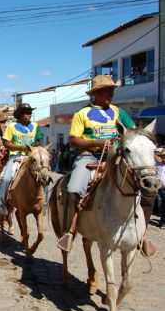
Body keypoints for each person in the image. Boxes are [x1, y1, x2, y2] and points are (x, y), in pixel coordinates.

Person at [56, 75, 159, 255]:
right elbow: (73, 140)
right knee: (74, 188)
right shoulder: (82, 114)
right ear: (95, 93)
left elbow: (133, 134)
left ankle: (142, 235)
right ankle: (70, 231)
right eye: (106, 90)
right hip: (88, 158)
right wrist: (97, 143)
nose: (110, 94)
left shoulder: (119, 112)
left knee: (145, 187)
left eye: (112, 90)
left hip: (117, 158)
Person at [0, 103, 43, 217]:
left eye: (30, 113)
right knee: (6, 179)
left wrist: (34, 146)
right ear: (20, 115)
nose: (28, 115)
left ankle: (42, 203)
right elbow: (6, 143)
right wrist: (21, 148)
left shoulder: (36, 126)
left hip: (31, 158)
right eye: (26, 113)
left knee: (43, 176)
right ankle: (1, 204)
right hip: (16, 158)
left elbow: (38, 141)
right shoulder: (12, 126)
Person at [154, 148, 165, 229]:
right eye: (162, 156)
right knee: (160, 205)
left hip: (164, 188)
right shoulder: (157, 164)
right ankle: (162, 221)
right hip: (157, 187)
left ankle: (163, 222)